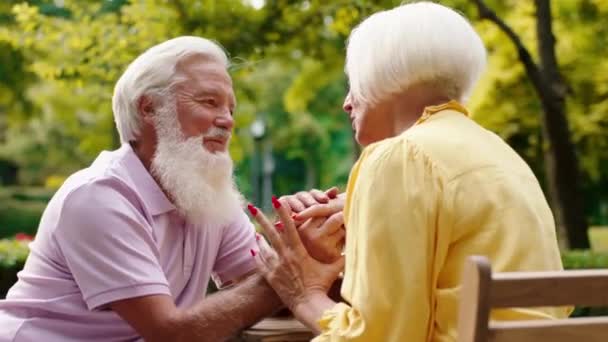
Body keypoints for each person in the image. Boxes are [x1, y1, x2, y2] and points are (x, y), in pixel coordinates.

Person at [248, 2, 570, 341]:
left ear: (382, 74)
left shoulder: (397, 158)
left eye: (354, 81)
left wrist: (305, 295)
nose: (346, 102)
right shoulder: (501, 155)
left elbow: (380, 337)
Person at [0, 36, 343, 342]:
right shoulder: (98, 196)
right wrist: (291, 269)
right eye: (209, 102)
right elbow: (169, 333)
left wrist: (316, 247)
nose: (227, 120)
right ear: (149, 108)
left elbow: (266, 294)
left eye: (230, 108)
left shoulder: (205, 192)